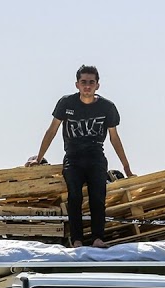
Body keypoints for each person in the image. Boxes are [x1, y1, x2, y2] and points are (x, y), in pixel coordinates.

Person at [31, 64, 134, 248]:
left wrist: (127, 169)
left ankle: (97, 238)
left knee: (97, 197)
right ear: (77, 84)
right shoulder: (66, 103)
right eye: (84, 82)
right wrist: (38, 158)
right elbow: (52, 131)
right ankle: (77, 239)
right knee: (75, 196)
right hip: (73, 155)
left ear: (97, 85)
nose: (87, 86)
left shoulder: (107, 107)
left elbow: (115, 138)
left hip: (96, 155)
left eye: (91, 82)